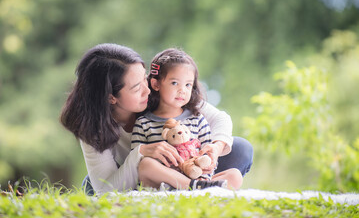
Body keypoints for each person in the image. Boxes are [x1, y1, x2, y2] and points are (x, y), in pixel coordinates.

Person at [60, 43, 253, 195]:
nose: (147, 89)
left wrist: (215, 147)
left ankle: (198, 188)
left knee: (240, 149)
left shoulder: (163, 91)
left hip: (185, 169)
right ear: (111, 97)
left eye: (145, 79)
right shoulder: (93, 127)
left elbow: (220, 119)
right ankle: (198, 189)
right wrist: (141, 152)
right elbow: (106, 189)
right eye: (136, 88)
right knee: (97, 187)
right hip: (132, 179)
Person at [131, 48, 242, 190]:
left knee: (235, 175)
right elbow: (136, 160)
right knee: (146, 164)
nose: (182, 90)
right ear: (156, 84)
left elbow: (206, 154)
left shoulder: (197, 119)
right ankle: (196, 188)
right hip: (162, 183)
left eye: (188, 85)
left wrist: (206, 169)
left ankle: (199, 186)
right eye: (174, 83)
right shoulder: (144, 123)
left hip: (195, 176)